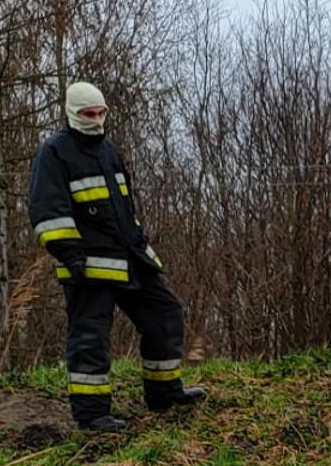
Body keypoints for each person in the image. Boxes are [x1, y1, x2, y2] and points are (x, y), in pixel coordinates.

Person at [28, 82, 205, 432]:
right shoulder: (53, 153)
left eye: (100, 113)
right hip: (87, 267)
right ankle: (92, 415)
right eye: (87, 114)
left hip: (130, 259)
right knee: (90, 337)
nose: (95, 120)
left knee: (165, 313)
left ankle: (164, 392)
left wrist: (141, 245)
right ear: (71, 113)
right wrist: (72, 257)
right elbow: (47, 213)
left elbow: (124, 208)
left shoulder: (108, 150)